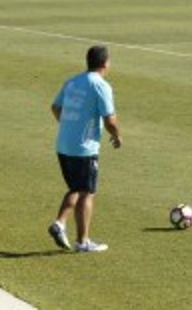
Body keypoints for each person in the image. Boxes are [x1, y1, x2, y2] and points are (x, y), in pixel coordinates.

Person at [49, 45, 122, 253]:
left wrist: (68, 126)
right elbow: (110, 119)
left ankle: (60, 223)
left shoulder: (72, 82)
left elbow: (55, 107)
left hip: (63, 144)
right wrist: (116, 135)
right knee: (87, 192)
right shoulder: (101, 85)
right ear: (105, 63)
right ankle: (83, 241)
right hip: (84, 148)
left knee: (76, 187)